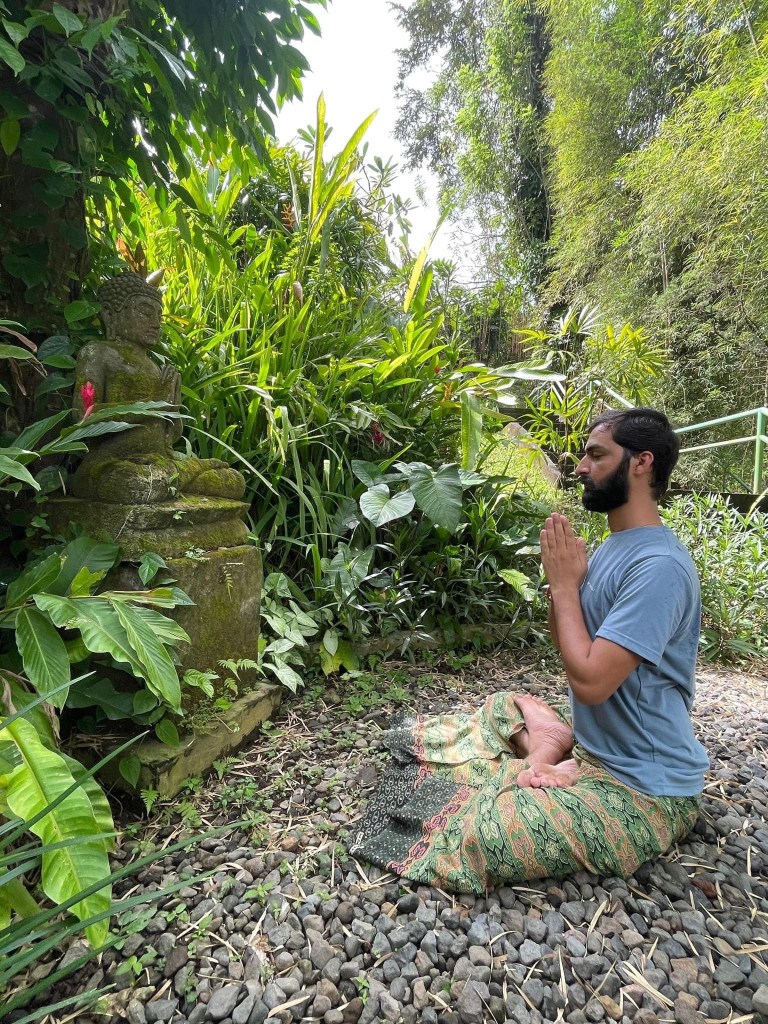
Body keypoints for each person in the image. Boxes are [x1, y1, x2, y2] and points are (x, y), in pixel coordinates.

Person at [351, 408, 708, 893]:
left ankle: (550, 759)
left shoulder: (659, 567)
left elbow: (592, 682)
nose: (581, 465)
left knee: (481, 835)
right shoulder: (611, 547)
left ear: (642, 462)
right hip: (597, 739)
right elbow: (569, 646)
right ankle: (551, 749)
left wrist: (566, 589)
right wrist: (562, 589)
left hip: (643, 785)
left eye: (597, 454)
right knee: (504, 707)